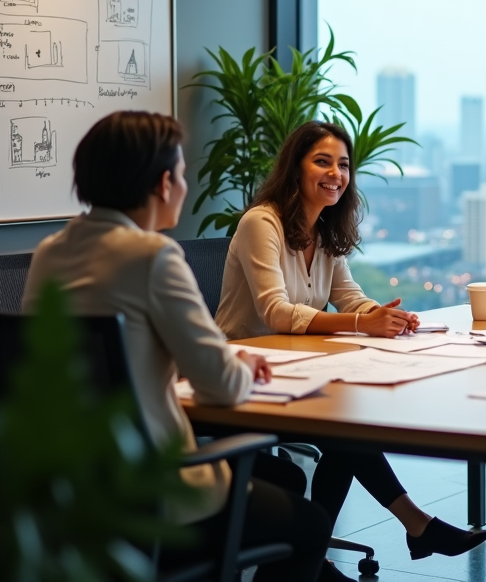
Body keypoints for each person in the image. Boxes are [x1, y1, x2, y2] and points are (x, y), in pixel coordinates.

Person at [21, 111, 332, 582]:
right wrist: (239, 366)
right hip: (154, 493)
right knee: (310, 525)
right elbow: (223, 387)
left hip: (71, 490)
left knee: (280, 479)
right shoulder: (154, 256)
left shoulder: (50, 252)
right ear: (165, 183)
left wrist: (222, 357)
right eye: (183, 174)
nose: (184, 186)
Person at [215, 120, 486, 578]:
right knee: (346, 431)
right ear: (295, 168)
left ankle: (312, 558)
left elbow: (349, 295)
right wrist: (365, 322)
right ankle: (402, 529)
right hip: (246, 379)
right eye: (322, 161)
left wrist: (389, 316)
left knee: (349, 429)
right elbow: (277, 313)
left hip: (296, 372)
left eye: (343, 165)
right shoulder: (260, 223)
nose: (335, 173)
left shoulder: (322, 229)